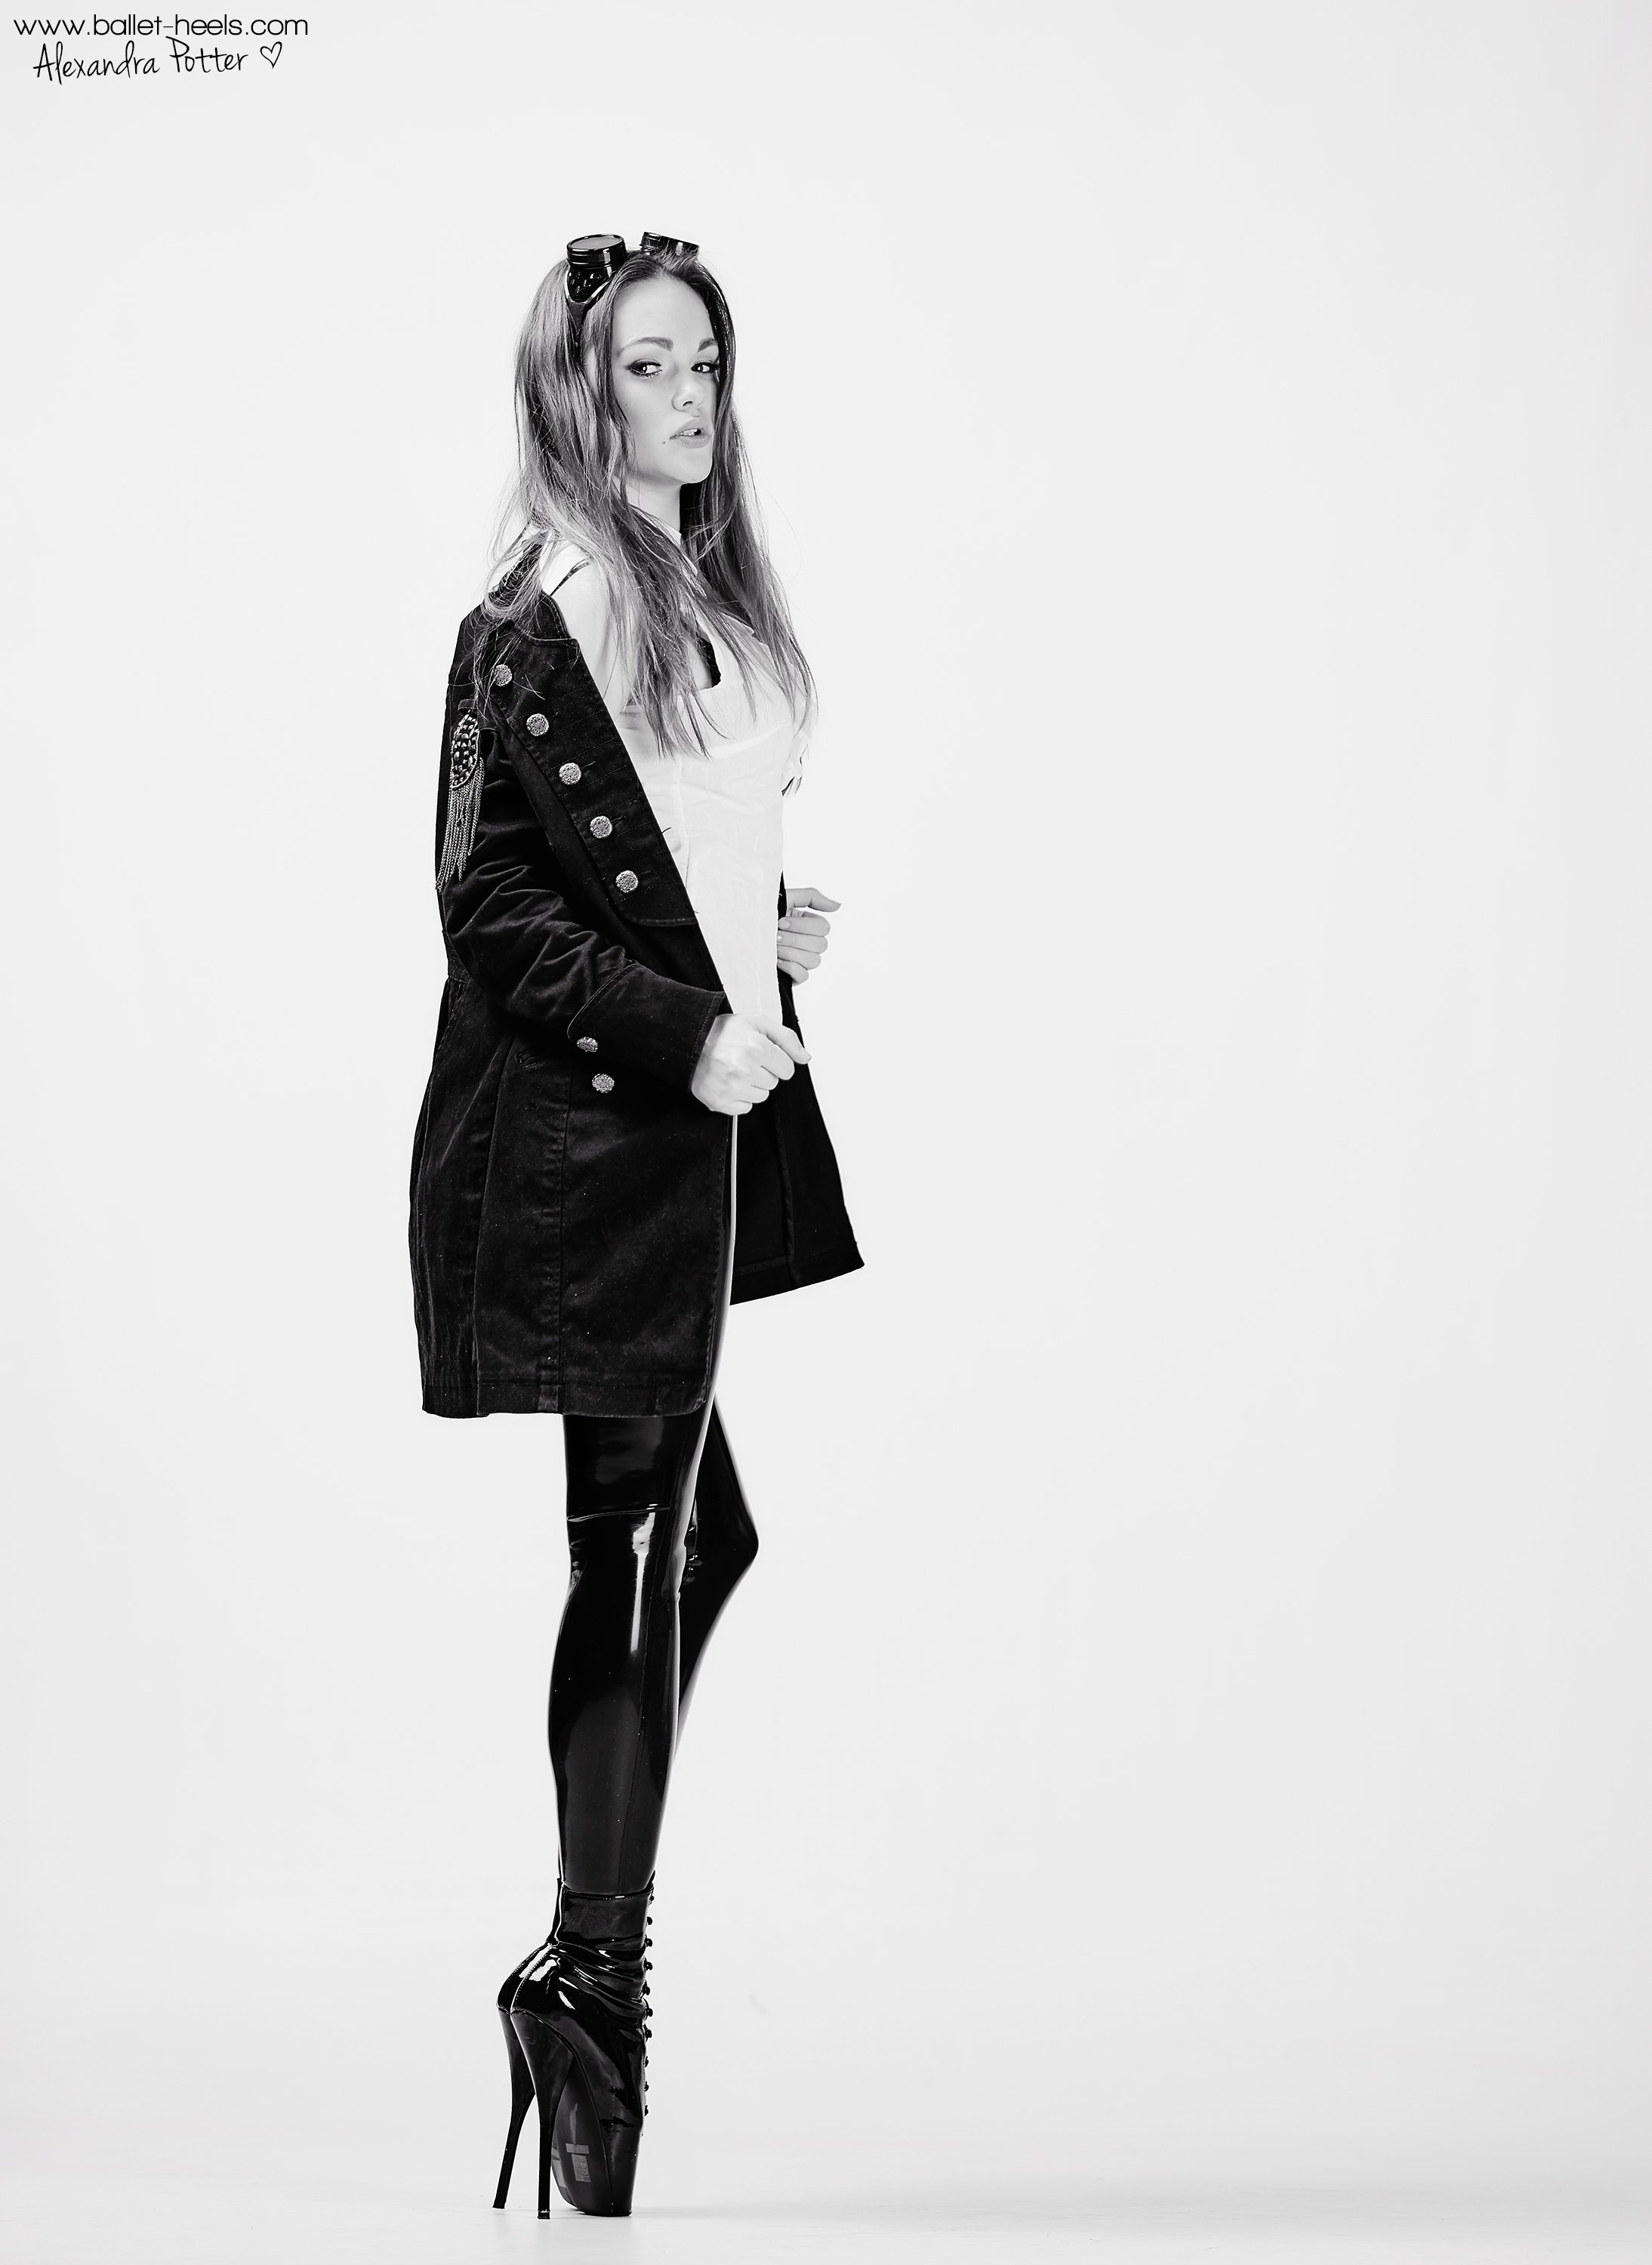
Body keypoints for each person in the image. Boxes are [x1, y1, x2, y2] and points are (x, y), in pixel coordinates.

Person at [407, 232, 863, 2220]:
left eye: (703, 362)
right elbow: (491, 908)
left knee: (691, 1536)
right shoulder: (539, 615)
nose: (687, 398)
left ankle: (576, 1969)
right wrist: (686, 1025)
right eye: (646, 369)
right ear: (574, 396)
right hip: (597, 1142)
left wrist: (765, 935)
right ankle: (594, 1984)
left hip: (697, 1127)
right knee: (642, 1538)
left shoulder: (705, 597)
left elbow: (672, 844)